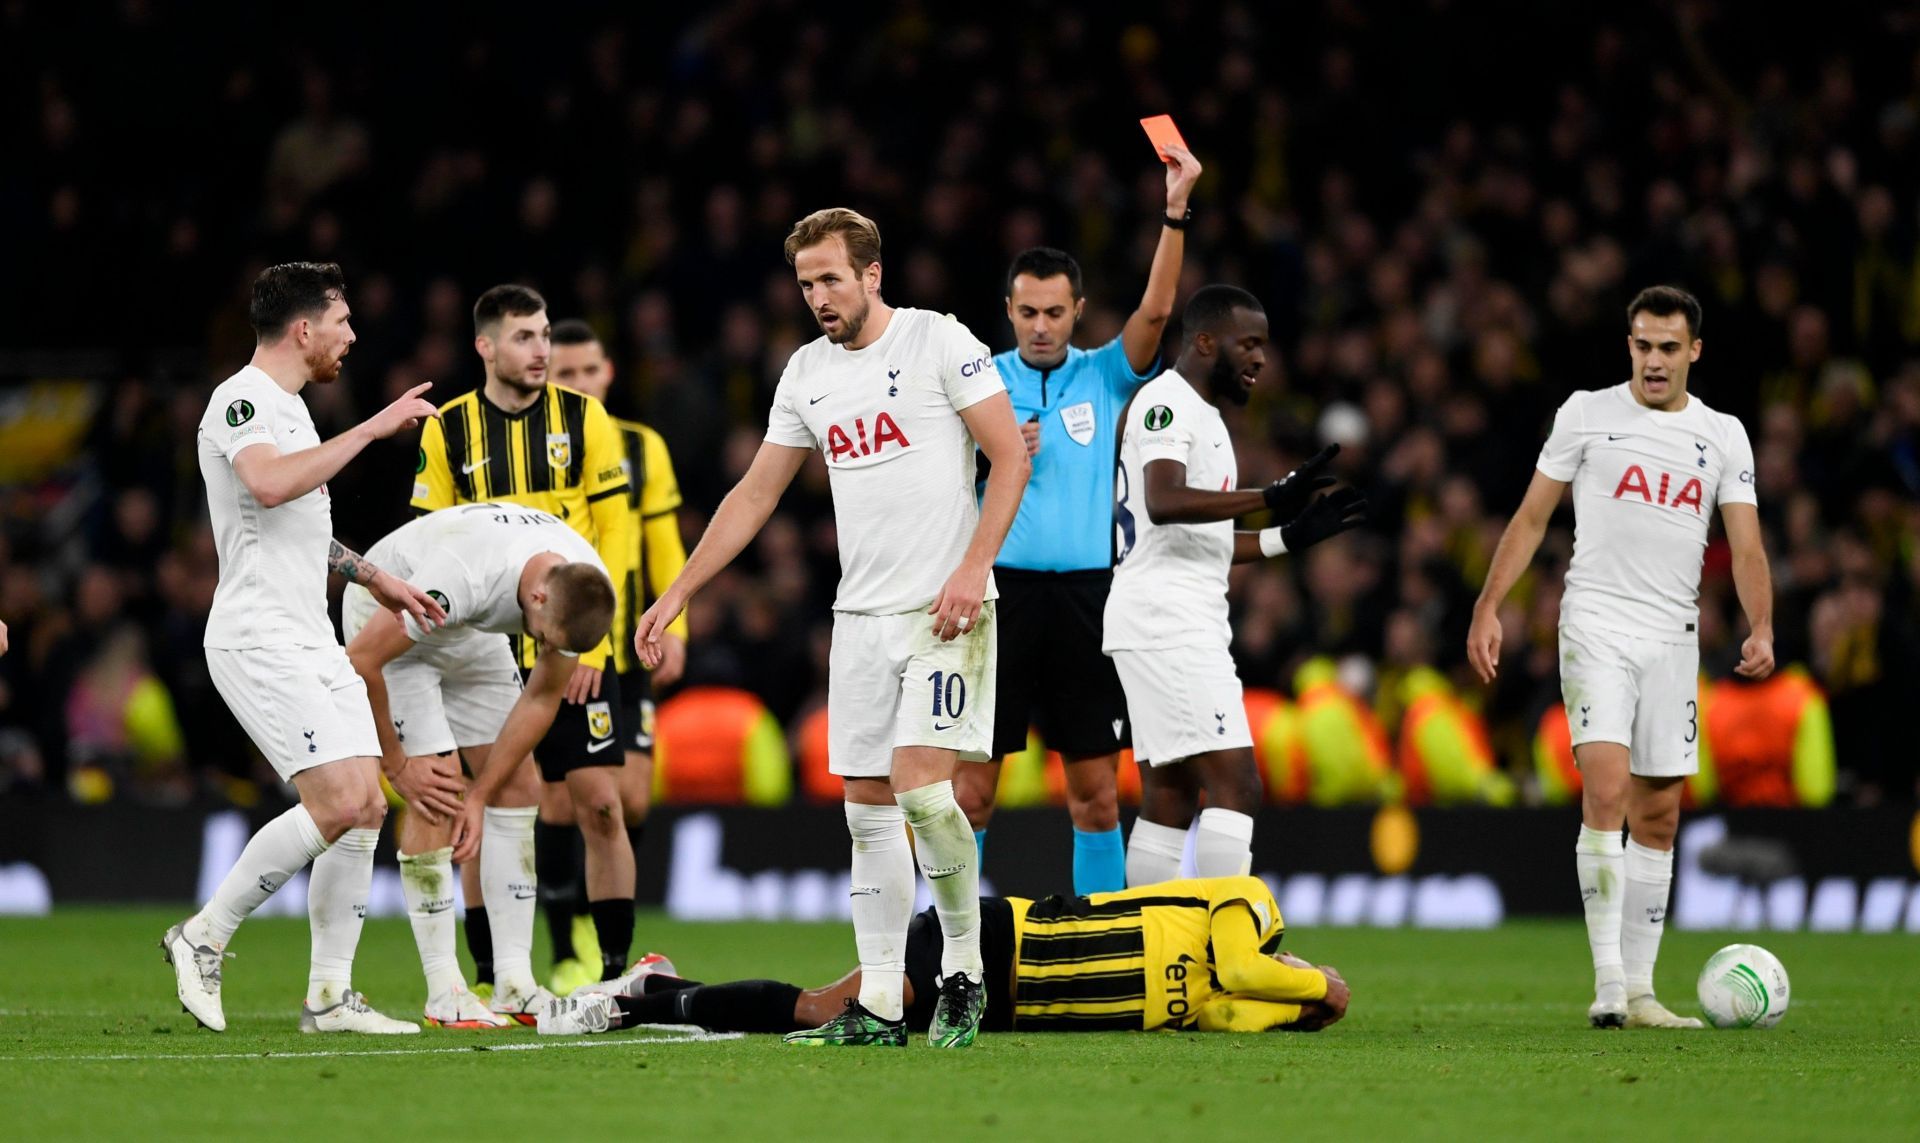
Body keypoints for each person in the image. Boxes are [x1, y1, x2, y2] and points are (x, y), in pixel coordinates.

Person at [633, 207, 1030, 1048]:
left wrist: (971, 570)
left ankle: (962, 973)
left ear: (872, 274)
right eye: (806, 282)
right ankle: (882, 1003)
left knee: (924, 789)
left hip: (944, 611)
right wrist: (678, 593)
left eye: (831, 278)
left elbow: (1011, 456)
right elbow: (753, 495)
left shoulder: (938, 341)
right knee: (867, 810)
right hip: (861, 620)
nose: (817, 295)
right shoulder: (807, 372)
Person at [1468, 285, 1774, 1030]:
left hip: (1674, 636)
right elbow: (1534, 514)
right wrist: (1489, 603)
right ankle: (1608, 985)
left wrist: (1761, 624)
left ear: (1694, 350)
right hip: (1596, 623)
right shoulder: (1586, 413)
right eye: (1643, 345)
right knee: (1605, 790)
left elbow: (1746, 544)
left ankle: (1640, 992)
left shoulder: (1724, 435)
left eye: (1670, 347)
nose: (1655, 361)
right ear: (1628, 345)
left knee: (1661, 813)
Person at [163, 260, 447, 1034]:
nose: (352, 336)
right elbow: (267, 487)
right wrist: (372, 427)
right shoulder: (243, 399)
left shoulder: (290, 410)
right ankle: (203, 935)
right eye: (343, 321)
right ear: (303, 328)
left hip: (309, 636)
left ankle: (328, 996)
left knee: (366, 810)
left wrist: (374, 575)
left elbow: (301, 522)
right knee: (340, 801)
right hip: (258, 636)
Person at [959, 144, 1202, 896]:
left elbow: (1159, 310)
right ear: (1008, 311)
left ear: (1078, 311)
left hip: (1091, 601)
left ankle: (1100, 946)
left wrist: (1174, 209)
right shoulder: (974, 382)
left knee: (1095, 794)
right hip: (996, 599)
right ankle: (949, 950)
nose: (1040, 325)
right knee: (970, 796)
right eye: (1027, 311)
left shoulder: (1101, 372)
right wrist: (984, 447)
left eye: (1055, 311)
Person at [413, 286, 640, 990]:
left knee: (602, 801)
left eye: (545, 335)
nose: (541, 349)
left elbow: (617, 537)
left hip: (571, 642)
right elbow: (432, 544)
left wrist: (595, 645)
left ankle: (610, 969)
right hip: (484, 652)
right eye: (524, 337)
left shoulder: (586, 419)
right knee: (495, 798)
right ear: (485, 346)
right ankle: (489, 971)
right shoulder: (446, 430)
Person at [1107, 285, 1367, 886]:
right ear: (1204, 341)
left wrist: (1288, 536)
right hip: (1166, 621)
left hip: (1160, 617)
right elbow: (1164, 500)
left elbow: (1201, 538)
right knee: (1237, 784)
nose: (1260, 359)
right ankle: (1232, 943)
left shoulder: (1205, 416)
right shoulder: (1166, 403)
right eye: (1248, 344)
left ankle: (1154, 944)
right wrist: (1268, 497)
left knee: (1171, 794)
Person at [342, 503, 618, 1026]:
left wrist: (484, 792)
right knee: (437, 790)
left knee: (519, 785)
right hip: (393, 610)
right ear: (537, 598)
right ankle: (444, 990)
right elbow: (361, 660)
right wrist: (396, 766)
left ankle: (514, 982)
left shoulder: (583, 587)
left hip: (467, 629)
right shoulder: (462, 575)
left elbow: (541, 699)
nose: (542, 647)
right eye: (542, 636)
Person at [536, 875, 1349, 1037]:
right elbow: (1249, 968)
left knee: (821, 1008)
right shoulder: (1243, 902)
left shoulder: (1199, 997)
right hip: (997, 940)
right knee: (826, 1008)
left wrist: (1298, 1011)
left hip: (1005, 1005)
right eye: (1294, 960)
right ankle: (642, 1000)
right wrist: (1321, 984)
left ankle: (663, 985)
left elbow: (1240, 1004)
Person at [540, 318, 690, 993]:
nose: (579, 384)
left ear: (608, 373)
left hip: (626, 646)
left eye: (588, 371)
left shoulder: (640, 446)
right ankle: (568, 944)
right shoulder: (532, 443)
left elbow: (662, 541)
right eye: (564, 374)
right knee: (560, 799)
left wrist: (675, 621)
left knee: (627, 798)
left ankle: (601, 924)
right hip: (552, 648)